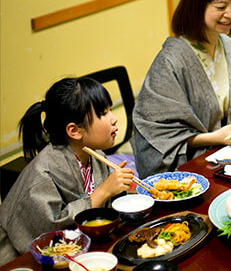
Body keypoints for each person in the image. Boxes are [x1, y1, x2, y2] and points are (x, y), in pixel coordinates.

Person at [132, 0, 231, 178]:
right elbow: (157, 134)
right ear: (197, 5)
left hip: (227, 157)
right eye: (220, 7)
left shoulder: (230, 48)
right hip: (192, 169)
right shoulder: (170, 62)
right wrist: (215, 137)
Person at [0, 77, 134, 265]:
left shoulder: (96, 155)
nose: (114, 118)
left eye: (110, 110)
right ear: (74, 130)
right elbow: (47, 235)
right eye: (103, 113)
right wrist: (103, 192)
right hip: (20, 262)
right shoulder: (42, 174)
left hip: (82, 252)